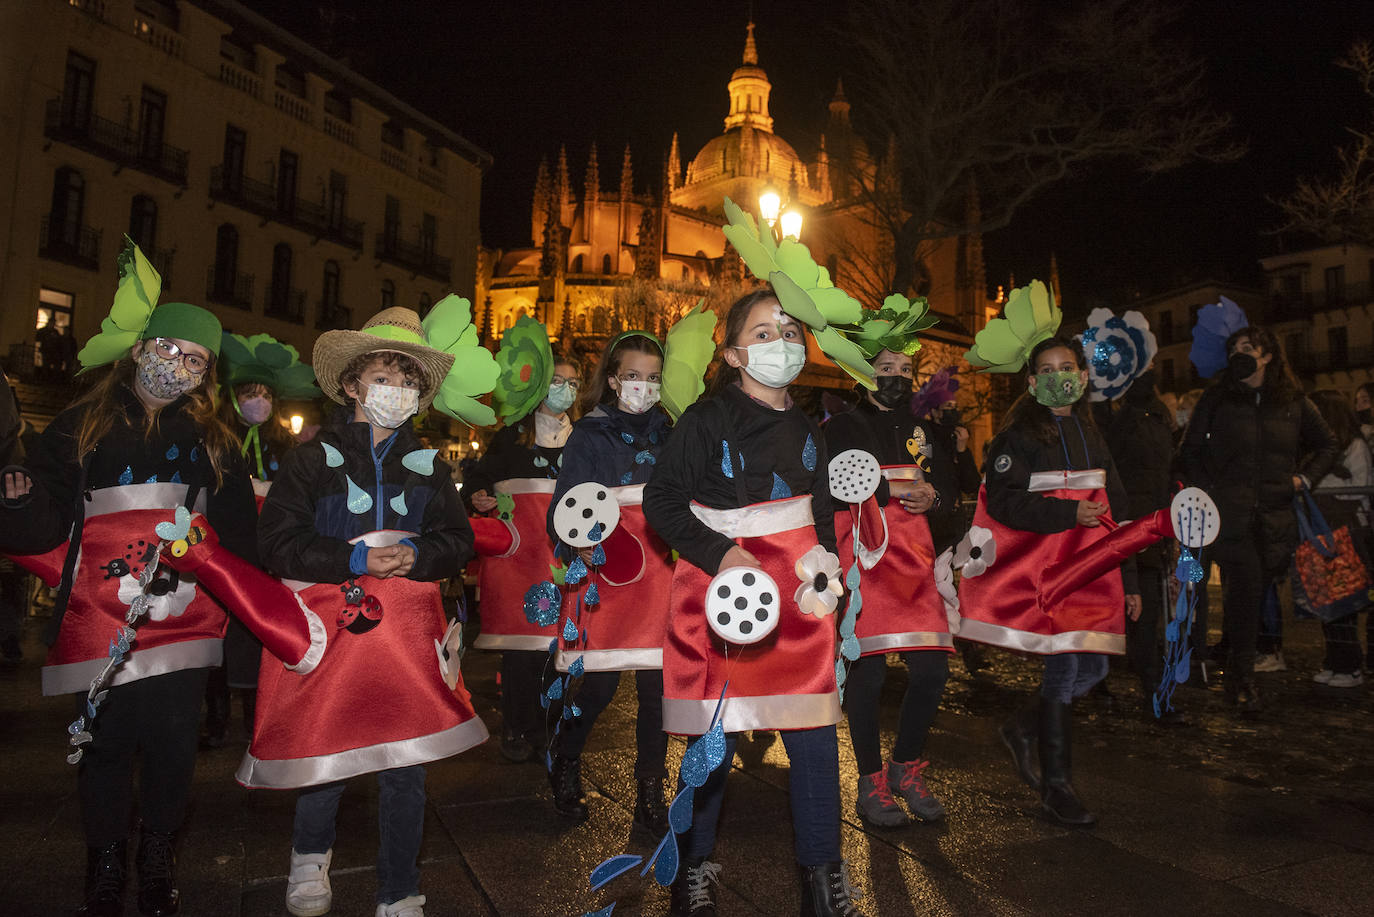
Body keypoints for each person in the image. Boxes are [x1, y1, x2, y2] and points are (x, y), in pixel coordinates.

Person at [0, 284, 257, 917]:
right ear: (141, 349)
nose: (181, 365)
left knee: (173, 742)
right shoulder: (75, 428)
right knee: (107, 743)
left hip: (184, 616)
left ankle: (157, 855)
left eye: (197, 360)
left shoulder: (216, 442)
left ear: (206, 376)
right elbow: (44, 525)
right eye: (171, 349)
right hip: (100, 614)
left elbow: (239, 541)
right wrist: (18, 500)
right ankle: (107, 861)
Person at [243, 305, 489, 917]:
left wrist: (417, 553)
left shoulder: (430, 467)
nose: (396, 391)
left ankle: (399, 886)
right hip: (332, 629)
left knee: (407, 762)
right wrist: (352, 561)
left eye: (408, 382)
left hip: (406, 634)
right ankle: (309, 861)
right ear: (352, 384)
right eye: (384, 377)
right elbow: (275, 542)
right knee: (325, 748)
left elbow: (458, 540)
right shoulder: (309, 461)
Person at [645, 289, 861, 916]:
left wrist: (828, 565)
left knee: (816, 741)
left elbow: (819, 508)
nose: (782, 343)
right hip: (727, 600)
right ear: (735, 354)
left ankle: (822, 882)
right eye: (764, 334)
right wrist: (719, 554)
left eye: (789, 331)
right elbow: (663, 500)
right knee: (712, 740)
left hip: (799, 603)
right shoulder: (706, 420)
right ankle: (693, 868)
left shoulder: (808, 423)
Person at [960, 336, 1140, 826]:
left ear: (1082, 378)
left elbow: (1118, 512)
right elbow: (1002, 501)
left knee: (1095, 671)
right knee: (1065, 671)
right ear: (1033, 381)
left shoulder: (1092, 434)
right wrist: (1067, 512)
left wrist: (1132, 580)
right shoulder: (1016, 437)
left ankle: (1022, 727)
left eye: (1067, 367)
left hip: (1094, 578)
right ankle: (1057, 788)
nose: (1059, 376)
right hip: (1049, 576)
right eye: (1047, 369)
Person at [544, 332, 673, 833]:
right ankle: (567, 760)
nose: (644, 386)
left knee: (657, 690)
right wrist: (578, 542)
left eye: (654, 377)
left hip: (661, 571)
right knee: (597, 685)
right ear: (615, 379)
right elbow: (564, 507)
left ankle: (649, 791)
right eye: (634, 376)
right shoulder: (590, 434)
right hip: (608, 572)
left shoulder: (672, 431)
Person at [823, 347, 954, 827]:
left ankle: (905, 766)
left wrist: (935, 496)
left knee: (932, 670)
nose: (896, 378)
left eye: (905, 370)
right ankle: (870, 780)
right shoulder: (840, 426)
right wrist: (892, 490)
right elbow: (829, 486)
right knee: (869, 675)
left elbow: (957, 487)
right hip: (867, 557)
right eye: (885, 370)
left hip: (918, 562)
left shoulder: (927, 427)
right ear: (863, 373)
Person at [1178, 326, 1336, 711]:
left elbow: (1327, 444)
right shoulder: (1217, 399)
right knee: (1246, 590)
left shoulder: (1293, 402)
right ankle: (1242, 679)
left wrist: (1303, 479)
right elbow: (1189, 452)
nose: (1238, 354)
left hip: (1274, 516)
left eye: (1247, 347)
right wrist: (1210, 493)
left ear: (1267, 356)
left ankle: (1238, 668)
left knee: (1251, 595)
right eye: (1233, 348)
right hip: (1229, 517)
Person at [466, 351, 582, 763]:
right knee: (521, 650)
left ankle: (552, 725)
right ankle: (518, 725)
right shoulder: (512, 435)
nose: (565, 389)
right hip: (521, 559)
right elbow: (480, 477)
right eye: (557, 380)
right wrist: (478, 495)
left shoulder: (585, 437)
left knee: (564, 646)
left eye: (573, 382)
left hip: (567, 558)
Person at [201, 334, 314, 748]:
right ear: (232, 396)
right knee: (220, 636)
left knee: (262, 636)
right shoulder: (214, 441)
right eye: (250, 392)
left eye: (266, 393)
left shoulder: (285, 447)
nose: (258, 400)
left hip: (269, 556)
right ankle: (214, 717)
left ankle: (258, 718)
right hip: (225, 551)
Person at [1092, 363, 1181, 721]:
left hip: (1145, 529)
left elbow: (1166, 470)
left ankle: (1153, 689)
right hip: (1117, 526)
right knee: (1106, 609)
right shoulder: (1113, 413)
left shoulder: (1156, 418)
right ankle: (1097, 681)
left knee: (1144, 614)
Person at [1308, 389, 1372, 687]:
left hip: (1344, 531)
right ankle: (1335, 660)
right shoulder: (1324, 450)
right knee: (1328, 600)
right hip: (1325, 530)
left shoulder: (1355, 446)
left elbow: (1356, 488)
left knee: (1343, 600)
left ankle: (1350, 665)